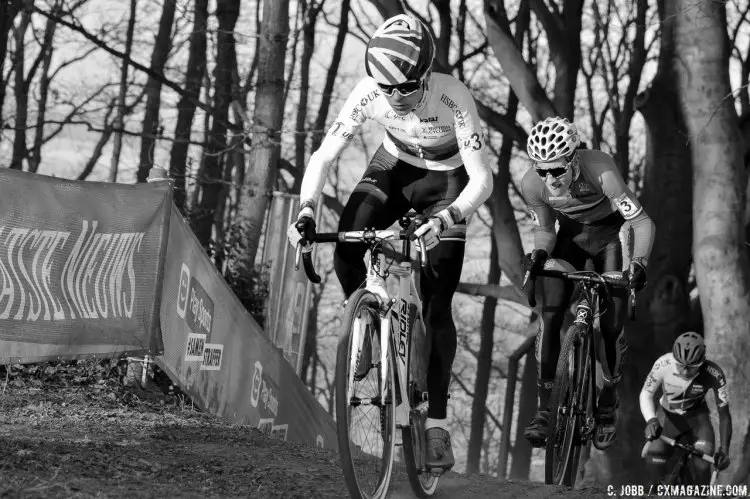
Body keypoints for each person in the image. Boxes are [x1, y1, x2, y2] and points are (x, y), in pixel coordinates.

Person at [286, 14, 493, 471]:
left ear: (426, 73)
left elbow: (482, 179)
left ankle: (437, 426)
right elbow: (323, 157)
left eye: (405, 88)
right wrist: (304, 210)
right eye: (386, 88)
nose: (394, 98)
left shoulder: (452, 95)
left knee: (438, 307)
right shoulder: (369, 93)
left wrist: (451, 216)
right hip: (393, 168)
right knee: (346, 241)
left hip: (447, 183)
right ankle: (364, 325)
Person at [520, 116, 655, 450]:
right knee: (550, 316)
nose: (549, 178)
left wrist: (639, 263)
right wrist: (538, 253)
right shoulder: (532, 184)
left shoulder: (602, 171)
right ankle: (544, 410)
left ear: (573, 159)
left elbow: (641, 220)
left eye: (556, 170)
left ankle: (608, 395)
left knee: (610, 328)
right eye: (542, 170)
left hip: (611, 240)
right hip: (571, 242)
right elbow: (546, 228)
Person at [640, 332, 732, 485]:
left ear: (702, 362)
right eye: (680, 365)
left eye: (691, 367)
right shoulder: (663, 364)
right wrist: (651, 420)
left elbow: (724, 415)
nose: (684, 371)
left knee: (702, 467)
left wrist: (724, 450)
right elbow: (646, 394)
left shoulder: (714, 374)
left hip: (697, 422)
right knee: (654, 461)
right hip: (667, 418)